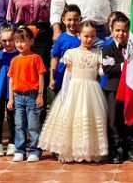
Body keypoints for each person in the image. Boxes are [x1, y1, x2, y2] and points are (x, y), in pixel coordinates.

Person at [38, 21, 110, 162]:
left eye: (92, 36)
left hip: (92, 90)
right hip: (74, 90)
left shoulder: (98, 53)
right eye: (86, 36)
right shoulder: (71, 53)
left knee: (88, 118)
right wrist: (65, 94)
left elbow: (101, 72)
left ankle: (88, 151)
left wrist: (109, 65)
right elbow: (67, 76)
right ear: (79, 35)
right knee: (72, 119)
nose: (89, 39)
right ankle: (68, 151)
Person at [6, 0, 54, 95]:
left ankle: (39, 108)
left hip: (42, 34)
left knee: (40, 72)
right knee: (21, 71)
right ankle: (19, 109)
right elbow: (10, 16)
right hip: (21, 34)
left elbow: (56, 15)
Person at [100, 15, 133, 164]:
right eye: (117, 30)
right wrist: (125, 66)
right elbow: (108, 69)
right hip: (113, 88)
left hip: (130, 87)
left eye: (124, 30)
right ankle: (115, 150)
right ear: (111, 30)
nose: (121, 33)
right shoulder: (107, 48)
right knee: (113, 120)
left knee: (128, 118)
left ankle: (130, 149)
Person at [8, 26, 47, 162]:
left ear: (31, 41)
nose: (20, 44)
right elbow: (11, 80)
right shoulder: (14, 60)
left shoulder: (35, 58)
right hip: (18, 96)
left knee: (33, 125)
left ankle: (35, 150)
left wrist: (40, 95)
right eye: (17, 41)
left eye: (23, 41)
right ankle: (20, 150)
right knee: (19, 125)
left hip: (32, 95)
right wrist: (11, 98)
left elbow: (41, 76)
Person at [0, 27, 17, 156]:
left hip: (13, 91)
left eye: (10, 40)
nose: (7, 43)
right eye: (4, 41)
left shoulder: (19, 54)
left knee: (12, 119)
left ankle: (12, 143)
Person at [49, 5, 83, 93]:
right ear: (63, 20)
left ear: (80, 19)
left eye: (75, 19)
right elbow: (55, 58)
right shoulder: (61, 38)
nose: (72, 22)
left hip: (79, 77)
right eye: (69, 19)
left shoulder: (84, 38)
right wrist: (52, 78)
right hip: (62, 76)